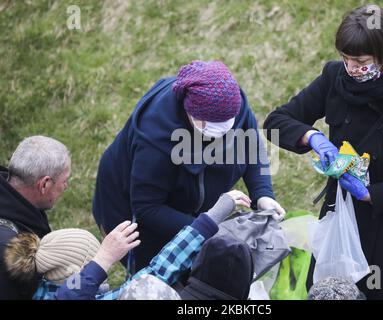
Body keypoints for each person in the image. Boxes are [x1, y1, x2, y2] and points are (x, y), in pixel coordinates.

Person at [264, 4, 383, 299]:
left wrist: (372, 194)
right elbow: (277, 120)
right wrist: (312, 138)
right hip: (342, 223)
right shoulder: (335, 78)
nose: (351, 68)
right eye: (345, 58)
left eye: (360, 60)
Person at [92, 60, 285, 271]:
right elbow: (148, 208)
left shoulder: (232, 105)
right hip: (136, 216)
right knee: (160, 275)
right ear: (189, 112)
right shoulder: (156, 139)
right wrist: (209, 227)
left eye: (227, 125)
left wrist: (263, 193)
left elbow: (251, 148)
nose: (222, 133)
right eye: (211, 126)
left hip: (191, 204)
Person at [5, 190, 252, 300]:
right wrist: (210, 218)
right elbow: (157, 273)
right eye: (92, 268)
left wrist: (97, 265)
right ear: (74, 277)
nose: (103, 274)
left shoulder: (40, 290)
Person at [0, 136, 71, 299]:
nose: (66, 186)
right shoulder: (7, 251)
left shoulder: (16, 205)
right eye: (65, 180)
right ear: (44, 184)